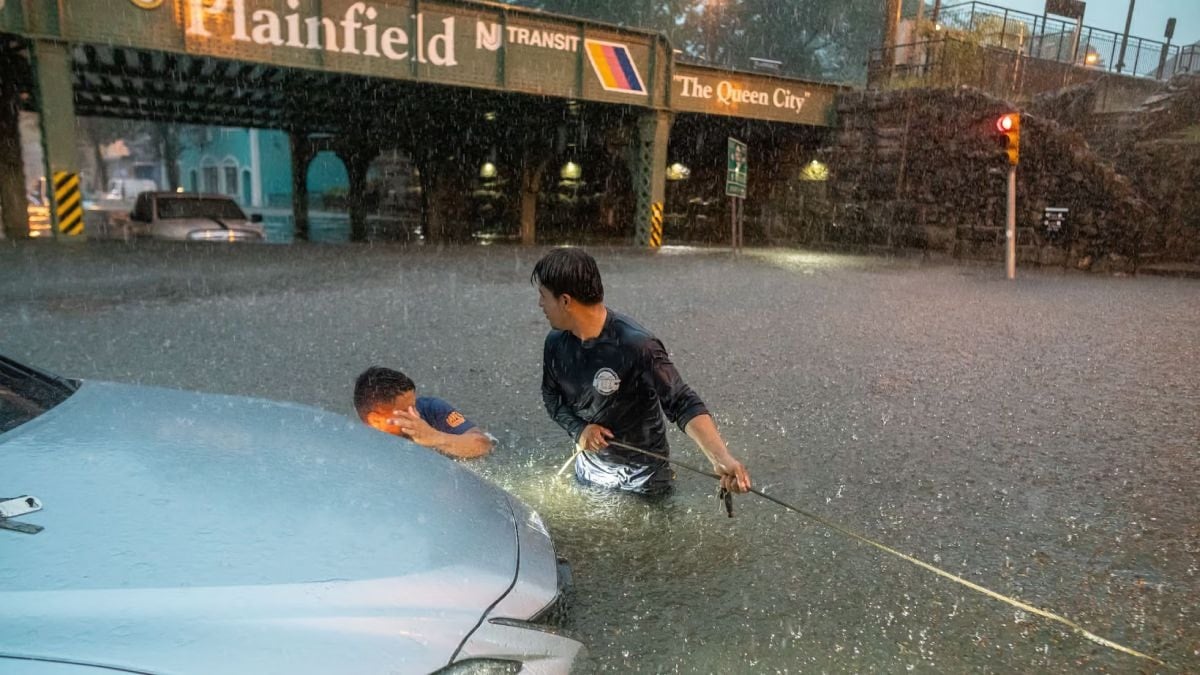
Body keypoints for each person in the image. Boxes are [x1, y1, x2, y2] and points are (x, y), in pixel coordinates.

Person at [533, 247, 751, 496]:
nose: (540, 304)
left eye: (543, 295)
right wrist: (579, 429)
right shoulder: (555, 344)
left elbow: (681, 401)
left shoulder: (637, 345)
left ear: (565, 301)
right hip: (590, 474)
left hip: (645, 482)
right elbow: (552, 398)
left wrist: (721, 458)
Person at [353, 366, 493, 459]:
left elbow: (482, 444)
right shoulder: (359, 451)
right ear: (376, 420)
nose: (417, 415)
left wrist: (435, 437)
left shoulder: (430, 409)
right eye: (406, 411)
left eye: (414, 405)